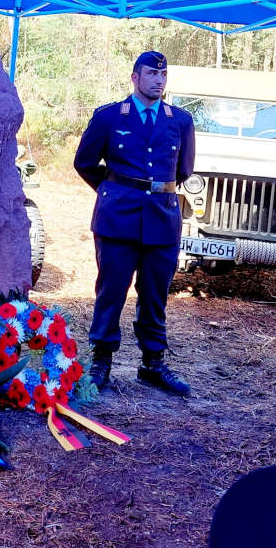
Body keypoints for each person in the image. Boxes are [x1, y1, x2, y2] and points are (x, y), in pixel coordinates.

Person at [74, 51, 196, 396]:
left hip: (162, 218)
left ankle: (153, 364)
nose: (159, 80)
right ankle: (101, 361)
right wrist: (114, 190)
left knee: (155, 294)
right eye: (151, 74)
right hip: (118, 219)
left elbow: (183, 171)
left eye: (163, 74)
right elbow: (84, 162)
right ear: (135, 78)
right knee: (111, 291)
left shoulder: (180, 121)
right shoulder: (110, 117)